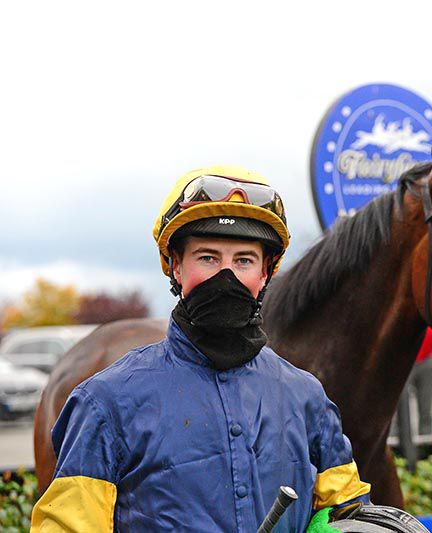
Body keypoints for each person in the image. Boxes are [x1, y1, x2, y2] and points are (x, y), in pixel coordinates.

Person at [31, 166, 371, 532]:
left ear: (265, 274)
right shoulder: (104, 403)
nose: (226, 276)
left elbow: (350, 515)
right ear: (176, 267)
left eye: (243, 260)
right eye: (207, 258)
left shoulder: (309, 400)